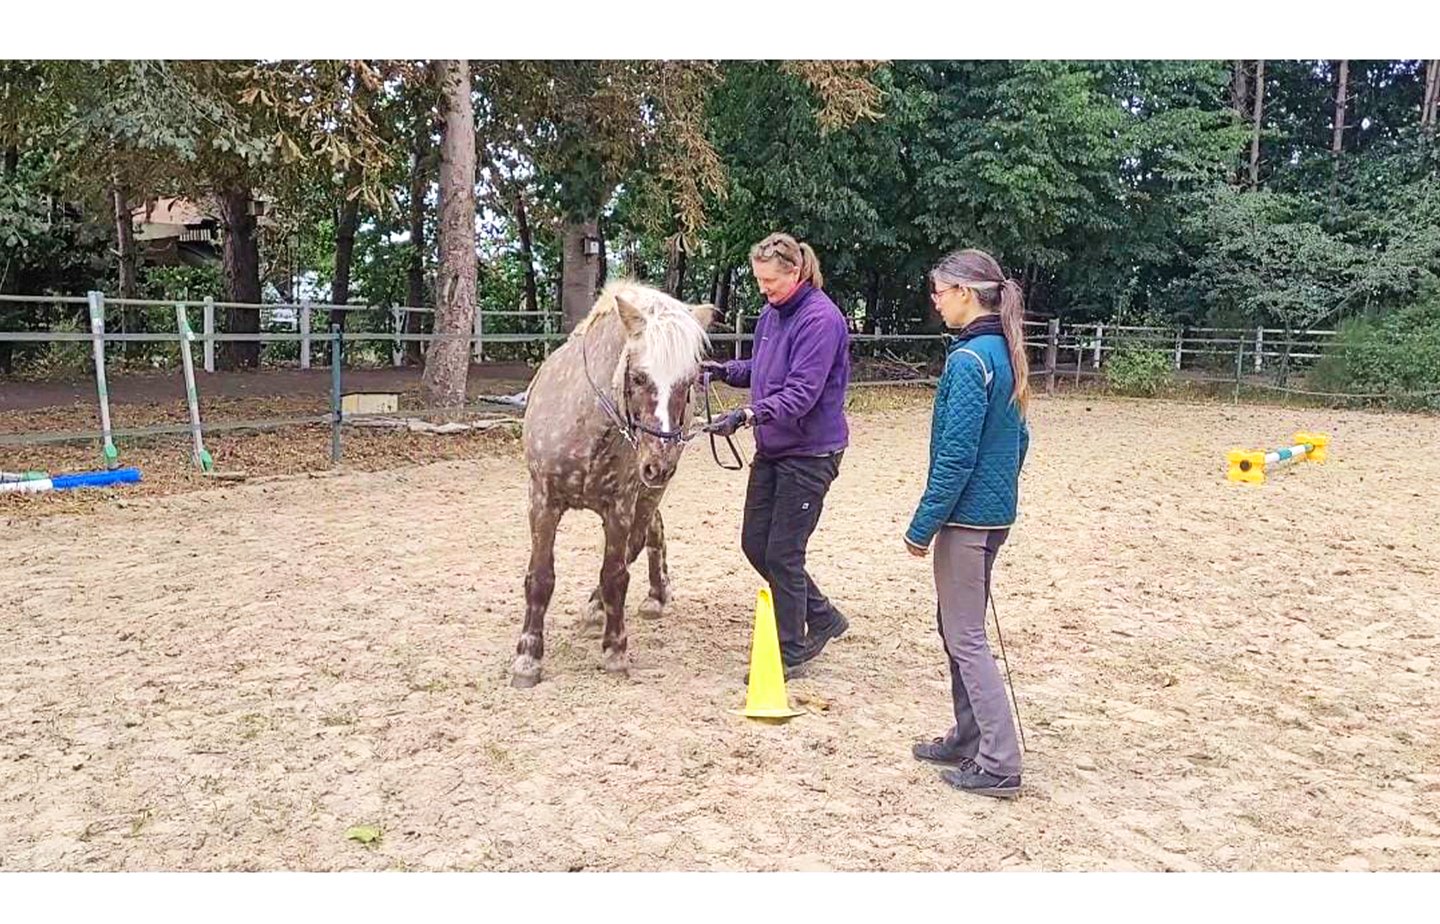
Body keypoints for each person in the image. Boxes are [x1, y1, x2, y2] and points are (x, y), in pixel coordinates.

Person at [903, 247, 1031, 799]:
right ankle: (969, 736)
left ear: (964, 293)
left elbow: (955, 457)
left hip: (966, 522)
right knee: (956, 626)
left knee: (965, 636)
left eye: (939, 292)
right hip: (993, 516)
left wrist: (922, 525)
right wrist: (999, 496)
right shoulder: (1005, 353)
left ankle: (999, 761)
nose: (935, 301)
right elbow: (1020, 440)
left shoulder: (968, 360)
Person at [703, 232, 852, 675]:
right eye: (759, 280)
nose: (763, 288)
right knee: (755, 543)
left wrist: (748, 415)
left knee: (784, 552)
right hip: (775, 448)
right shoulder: (772, 314)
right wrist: (723, 370)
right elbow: (764, 369)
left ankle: (791, 650)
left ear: (796, 272)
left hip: (810, 452)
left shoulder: (820, 320)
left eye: (770, 280)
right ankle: (822, 615)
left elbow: (802, 392)